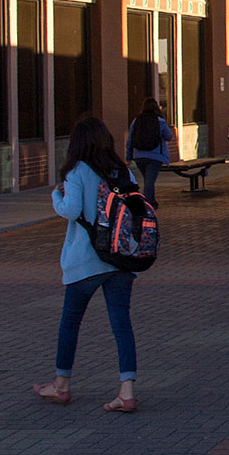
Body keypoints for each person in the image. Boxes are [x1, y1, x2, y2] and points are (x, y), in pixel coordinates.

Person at [34, 115, 140, 413]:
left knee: (70, 322)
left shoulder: (77, 171)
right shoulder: (123, 171)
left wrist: (56, 194)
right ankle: (127, 391)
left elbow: (71, 210)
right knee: (122, 323)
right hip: (120, 258)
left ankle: (61, 385)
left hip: (87, 259)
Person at [126, 98, 172, 204]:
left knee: (148, 179)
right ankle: (148, 203)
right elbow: (168, 136)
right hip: (155, 156)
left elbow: (130, 139)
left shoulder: (137, 120)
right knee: (149, 181)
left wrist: (129, 156)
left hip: (139, 155)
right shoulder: (159, 121)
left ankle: (152, 200)